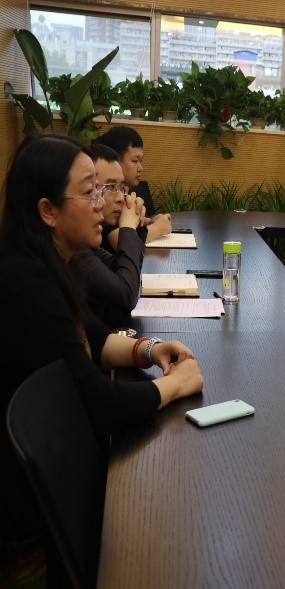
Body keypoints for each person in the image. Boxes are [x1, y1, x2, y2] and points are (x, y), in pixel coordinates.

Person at [0, 133, 204, 576]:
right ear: (48, 211)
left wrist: (149, 349)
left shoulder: (51, 262)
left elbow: (95, 334)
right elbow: (100, 402)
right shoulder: (25, 284)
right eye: (91, 191)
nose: (103, 204)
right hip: (35, 520)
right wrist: (174, 385)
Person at [71, 144, 145, 327]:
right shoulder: (73, 249)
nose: (120, 198)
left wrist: (137, 226)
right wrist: (128, 228)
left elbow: (122, 269)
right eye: (110, 187)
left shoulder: (88, 242)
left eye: (122, 188)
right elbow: (125, 294)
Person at [94, 125, 172, 243]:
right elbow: (120, 240)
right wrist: (158, 228)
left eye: (141, 161)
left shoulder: (123, 194)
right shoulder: (104, 198)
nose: (141, 168)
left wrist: (148, 221)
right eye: (135, 161)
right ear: (114, 161)